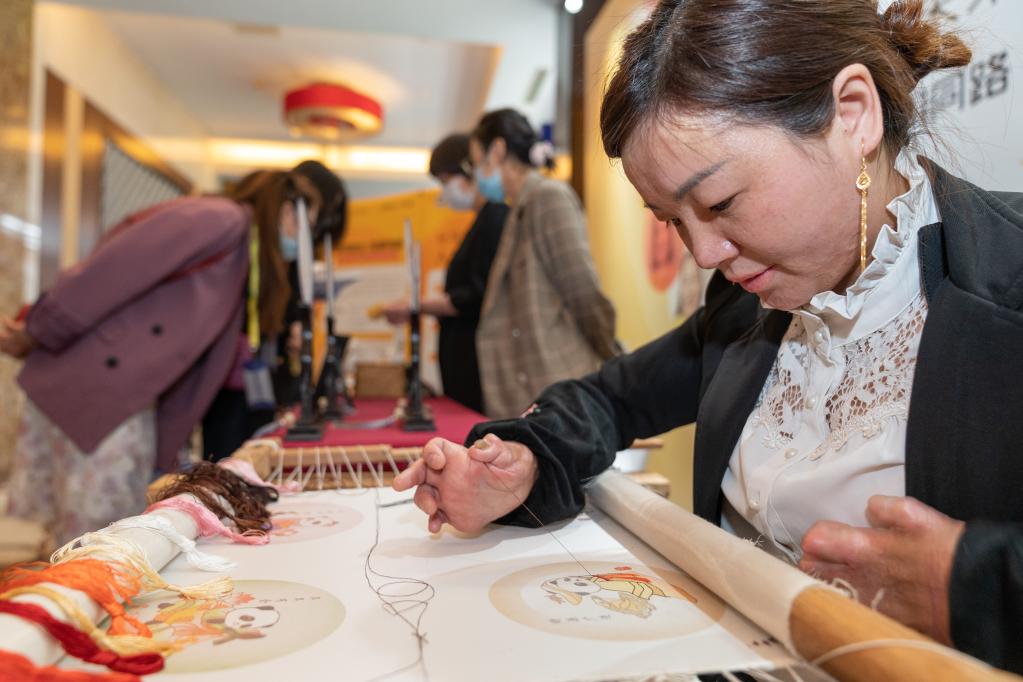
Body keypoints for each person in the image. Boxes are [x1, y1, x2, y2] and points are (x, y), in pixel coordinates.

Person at [393, 0, 1023, 673]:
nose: (703, 254)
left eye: (720, 203)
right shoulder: (742, 305)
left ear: (852, 115)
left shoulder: (1004, 278)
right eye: (672, 220)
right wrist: (525, 462)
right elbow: (611, 398)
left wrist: (979, 588)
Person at [0, 170, 320, 542]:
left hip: (123, 395)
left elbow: (202, 369)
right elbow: (114, 267)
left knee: (103, 531)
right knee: (97, 535)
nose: (304, 241)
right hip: (103, 387)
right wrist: (43, 327)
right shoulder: (222, 219)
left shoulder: (238, 255)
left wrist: (165, 450)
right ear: (287, 211)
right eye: (307, 227)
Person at [467, 108, 619, 418]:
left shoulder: (548, 198)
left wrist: (612, 361)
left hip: (557, 387)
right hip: (533, 390)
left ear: (497, 150)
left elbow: (583, 292)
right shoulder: (519, 207)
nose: (476, 174)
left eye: (476, 161)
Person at [203, 160, 348, 460]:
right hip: (232, 380)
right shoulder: (232, 235)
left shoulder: (273, 253)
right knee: (228, 452)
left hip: (260, 372)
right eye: (308, 222)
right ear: (288, 208)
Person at [381, 133, 508, 414]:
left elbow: (476, 296)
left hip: (477, 365)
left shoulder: (495, 216)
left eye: (445, 181)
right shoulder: (481, 221)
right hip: (463, 363)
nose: (444, 192)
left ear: (468, 169)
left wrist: (417, 305)